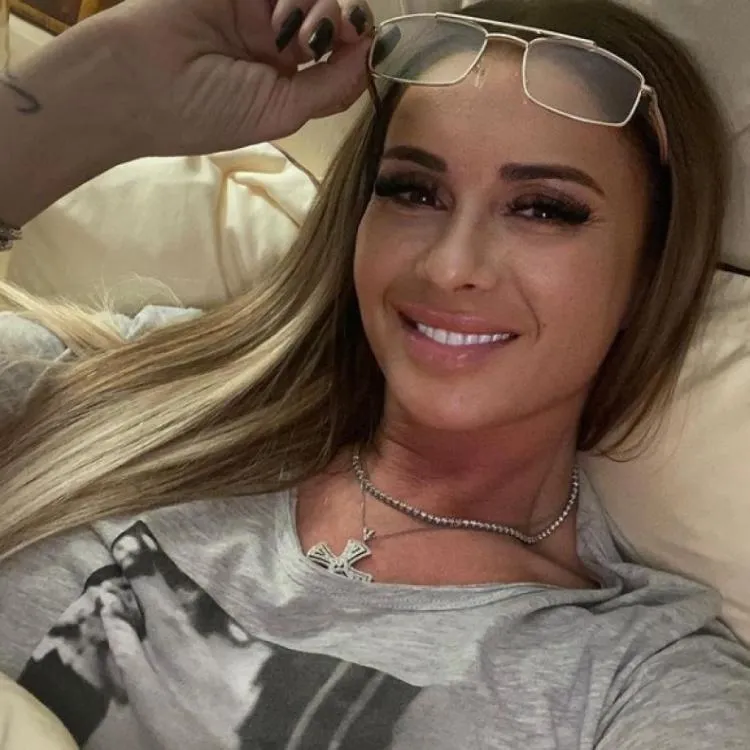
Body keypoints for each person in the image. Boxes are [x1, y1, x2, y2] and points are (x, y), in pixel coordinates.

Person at [0, 0, 749, 747]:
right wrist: (97, 86)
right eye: (412, 192)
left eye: (544, 210)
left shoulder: (637, 677)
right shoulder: (134, 397)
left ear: (648, 274)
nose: (450, 266)